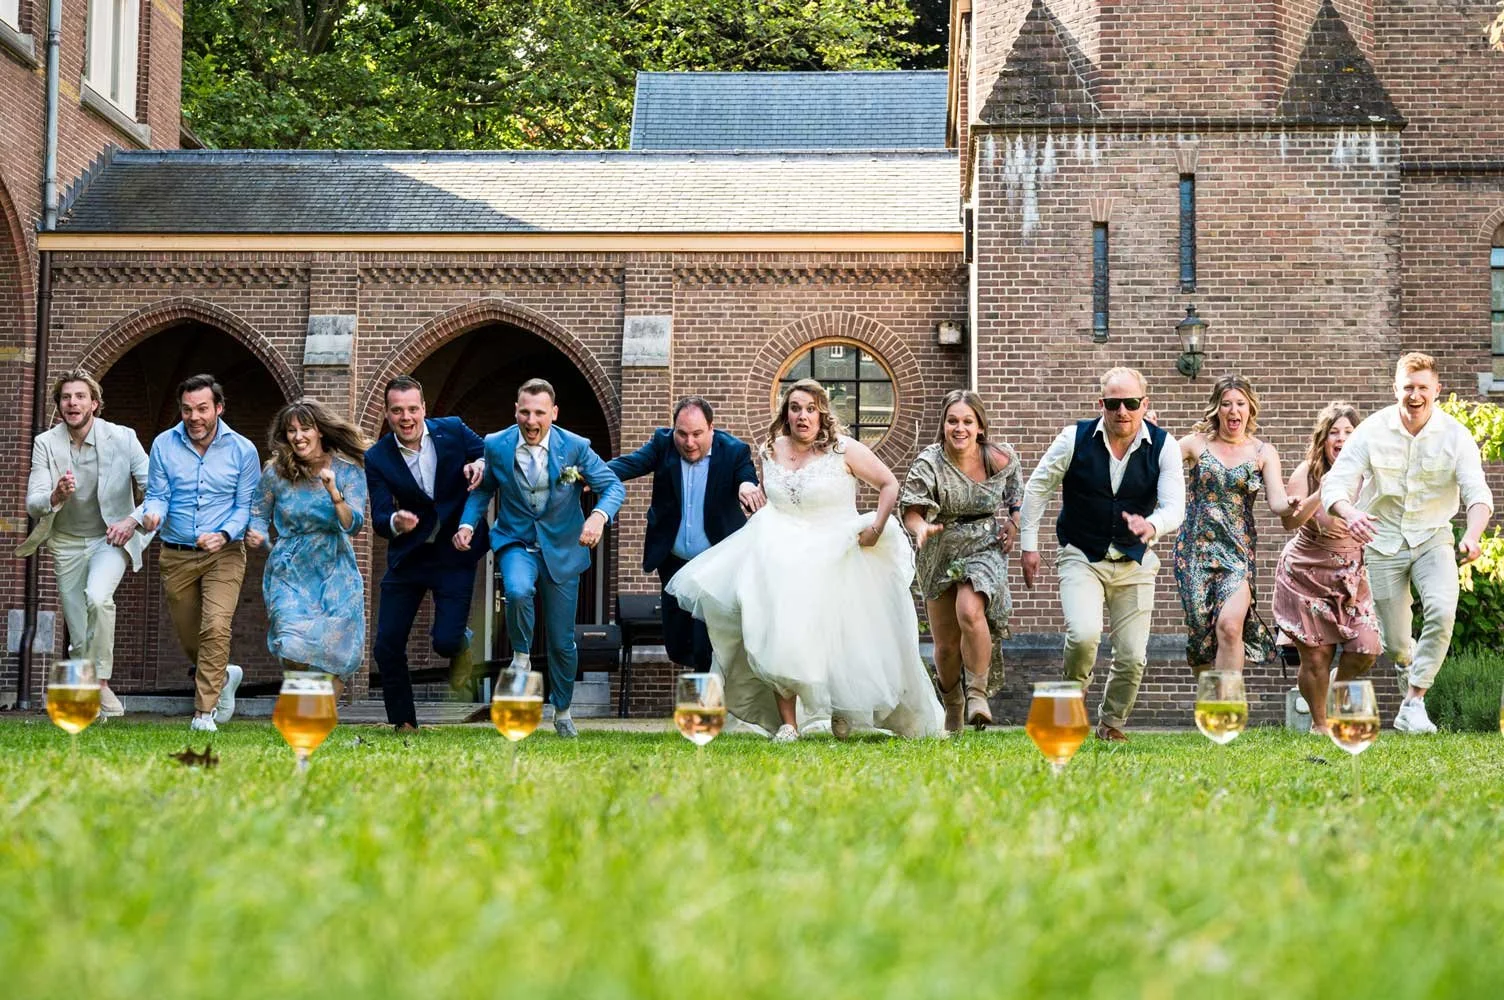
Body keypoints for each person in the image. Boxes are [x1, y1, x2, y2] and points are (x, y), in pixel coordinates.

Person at [667, 378, 944, 742]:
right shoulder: (771, 449)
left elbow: (889, 484)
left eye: (810, 409)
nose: (802, 416)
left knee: (842, 635)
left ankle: (845, 710)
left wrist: (876, 527)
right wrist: (750, 492)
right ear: (786, 413)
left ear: (821, 414)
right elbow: (774, 497)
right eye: (795, 408)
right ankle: (788, 723)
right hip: (780, 550)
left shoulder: (844, 450)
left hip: (836, 548)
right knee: (777, 626)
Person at [1322, 352, 1494, 734]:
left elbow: (1477, 491)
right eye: (1407, 388)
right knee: (1399, 644)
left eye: (1422, 388)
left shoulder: (1455, 435)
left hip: (1434, 535)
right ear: (1395, 389)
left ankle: (1414, 700)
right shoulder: (1371, 430)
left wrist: (1471, 535)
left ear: (1436, 390)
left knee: (1442, 609)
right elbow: (1335, 483)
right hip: (1382, 540)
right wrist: (1350, 514)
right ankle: (1408, 693)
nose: (1414, 396)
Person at [1018, 367, 1186, 742]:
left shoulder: (1164, 445)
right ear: (1102, 404)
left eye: (1130, 403)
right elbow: (1037, 488)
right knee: (1083, 635)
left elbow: (1176, 507)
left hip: (1135, 560)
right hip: (1082, 552)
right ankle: (1069, 707)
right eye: (1113, 404)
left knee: (1132, 656)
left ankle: (1111, 724)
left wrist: (1153, 525)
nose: (1122, 411)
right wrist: (1029, 545)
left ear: (1145, 404)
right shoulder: (1072, 439)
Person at [455, 378, 626, 739]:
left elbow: (613, 486)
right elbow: (483, 490)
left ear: (554, 414)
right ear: (515, 411)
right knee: (516, 591)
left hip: (563, 548)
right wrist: (468, 524)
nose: (531, 421)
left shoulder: (575, 448)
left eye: (539, 413)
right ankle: (520, 654)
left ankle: (562, 711)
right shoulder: (496, 445)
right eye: (525, 412)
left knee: (562, 641)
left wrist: (597, 516)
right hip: (516, 539)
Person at [18, 370, 152, 718]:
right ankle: (87, 696)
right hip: (66, 542)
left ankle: (102, 683)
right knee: (78, 628)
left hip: (110, 536)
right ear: (59, 406)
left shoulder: (123, 438)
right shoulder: (46, 443)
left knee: (97, 597)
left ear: (95, 403)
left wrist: (132, 521)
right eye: (66, 397)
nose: (72, 403)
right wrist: (54, 495)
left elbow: (155, 490)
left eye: (80, 396)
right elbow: (33, 502)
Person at [139, 374, 261, 733]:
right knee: (190, 633)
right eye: (187, 409)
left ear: (218, 409)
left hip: (224, 552)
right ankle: (222, 675)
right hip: (176, 553)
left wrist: (223, 534)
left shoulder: (243, 450)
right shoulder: (164, 444)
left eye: (202, 409)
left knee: (216, 626)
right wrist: (154, 512)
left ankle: (203, 713)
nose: (194, 417)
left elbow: (245, 507)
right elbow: (158, 493)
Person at [365, 375, 488, 732]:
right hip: (410, 556)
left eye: (412, 409)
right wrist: (394, 521)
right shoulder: (377, 457)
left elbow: (487, 453)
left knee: (446, 641)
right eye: (397, 410)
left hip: (455, 551)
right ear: (387, 414)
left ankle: (462, 643)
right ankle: (403, 722)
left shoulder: (453, 430)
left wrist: (480, 463)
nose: (406, 417)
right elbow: (379, 517)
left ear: (424, 409)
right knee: (387, 645)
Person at [608, 396, 765, 671]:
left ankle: (707, 701)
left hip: (716, 562)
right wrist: (588, 476)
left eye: (696, 434)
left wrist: (746, 488)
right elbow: (630, 464)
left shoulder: (733, 451)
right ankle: (703, 681)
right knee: (678, 644)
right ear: (673, 430)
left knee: (706, 640)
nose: (689, 442)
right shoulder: (662, 444)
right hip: (674, 561)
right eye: (682, 434)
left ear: (711, 429)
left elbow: (745, 477)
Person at [900, 389, 1023, 732]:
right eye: (952, 420)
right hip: (939, 548)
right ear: (943, 425)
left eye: (968, 421)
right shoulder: (929, 462)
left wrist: (1013, 523)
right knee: (946, 647)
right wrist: (921, 527)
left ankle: (978, 694)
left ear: (980, 427)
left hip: (984, 544)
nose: (960, 428)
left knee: (970, 610)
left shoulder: (999, 458)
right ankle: (953, 703)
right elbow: (911, 510)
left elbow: (1015, 495)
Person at [1172, 374, 1300, 674]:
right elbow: (1157, 465)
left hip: (1237, 553)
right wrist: (1146, 432)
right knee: (1201, 637)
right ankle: (1211, 708)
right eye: (1226, 404)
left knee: (1230, 626)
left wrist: (1292, 504)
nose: (1233, 410)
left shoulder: (1262, 452)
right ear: (1217, 408)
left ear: (1249, 408)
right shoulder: (1195, 444)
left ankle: (1228, 713)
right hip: (1194, 553)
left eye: (1240, 403)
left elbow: (1277, 501)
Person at [1272, 402, 1380, 735]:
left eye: (1349, 432)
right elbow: (1289, 522)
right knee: (1316, 658)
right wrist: (1324, 490)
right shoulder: (1307, 472)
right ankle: (1321, 726)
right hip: (1305, 575)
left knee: (1367, 647)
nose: (1341, 438)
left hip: (1350, 578)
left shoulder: (1370, 475)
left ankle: (1338, 685)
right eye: (1334, 432)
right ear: (1323, 439)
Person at [247, 399, 369, 691]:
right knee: (290, 642)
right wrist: (257, 534)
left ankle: (316, 716)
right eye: (291, 430)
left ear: (321, 432)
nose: (298, 436)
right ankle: (307, 707)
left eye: (305, 429)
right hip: (290, 567)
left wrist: (333, 492)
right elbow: (257, 514)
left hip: (335, 566)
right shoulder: (277, 472)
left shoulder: (349, 472)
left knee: (338, 648)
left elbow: (353, 525)